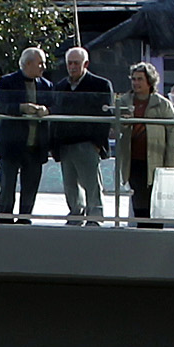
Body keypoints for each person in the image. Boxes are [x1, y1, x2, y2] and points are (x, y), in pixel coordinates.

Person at [45, 44, 113, 224]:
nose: (72, 67)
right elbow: (56, 115)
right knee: (70, 184)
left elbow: (105, 115)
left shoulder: (100, 85)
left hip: (87, 142)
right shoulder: (60, 86)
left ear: (86, 64)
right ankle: (76, 212)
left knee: (91, 183)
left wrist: (97, 144)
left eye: (76, 63)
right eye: (69, 63)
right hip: (65, 143)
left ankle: (95, 216)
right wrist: (54, 145)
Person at [0, 45, 53, 223]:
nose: (43, 67)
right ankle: (4, 219)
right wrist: (21, 108)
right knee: (7, 186)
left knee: (31, 187)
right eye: (40, 63)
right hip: (12, 145)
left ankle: (25, 218)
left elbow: (56, 106)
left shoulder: (46, 85)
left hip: (35, 146)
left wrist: (46, 110)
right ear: (27, 64)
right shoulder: (8, 82)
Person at [120, 60, 174, 223]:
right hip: (133, 159)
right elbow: (115, 128)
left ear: (150, 81)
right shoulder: (125, 101)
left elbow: (173, 131)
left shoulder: (162, 104)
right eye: (133, 79)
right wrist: (123, 122)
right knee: (138, 197)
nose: (136, 83)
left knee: (156, 200)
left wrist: (172, 161)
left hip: (156, 159)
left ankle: (155, 234)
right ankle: (141, 230)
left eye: (140, 79)